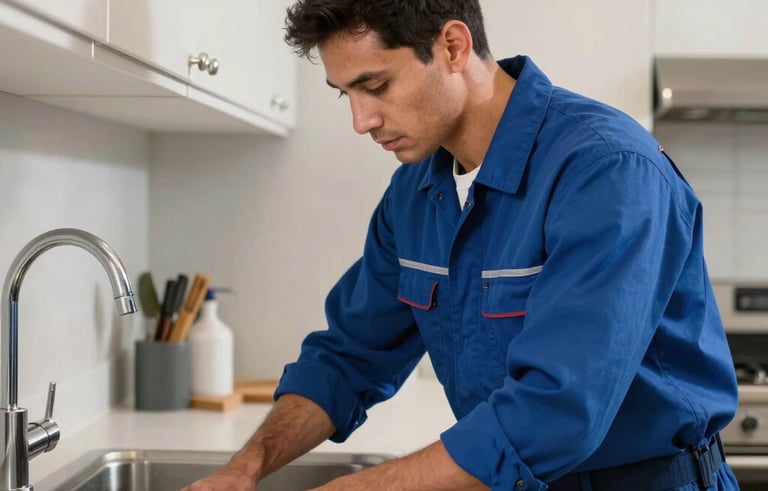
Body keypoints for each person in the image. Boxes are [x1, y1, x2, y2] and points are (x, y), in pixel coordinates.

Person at [182, 1, 740, 490]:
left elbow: (555, 413)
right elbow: (348, 356)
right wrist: (247, 464)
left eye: (375, 86)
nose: (361, 120)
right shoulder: (417, 192)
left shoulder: (606, 171)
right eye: (345, 94)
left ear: (452, 45)